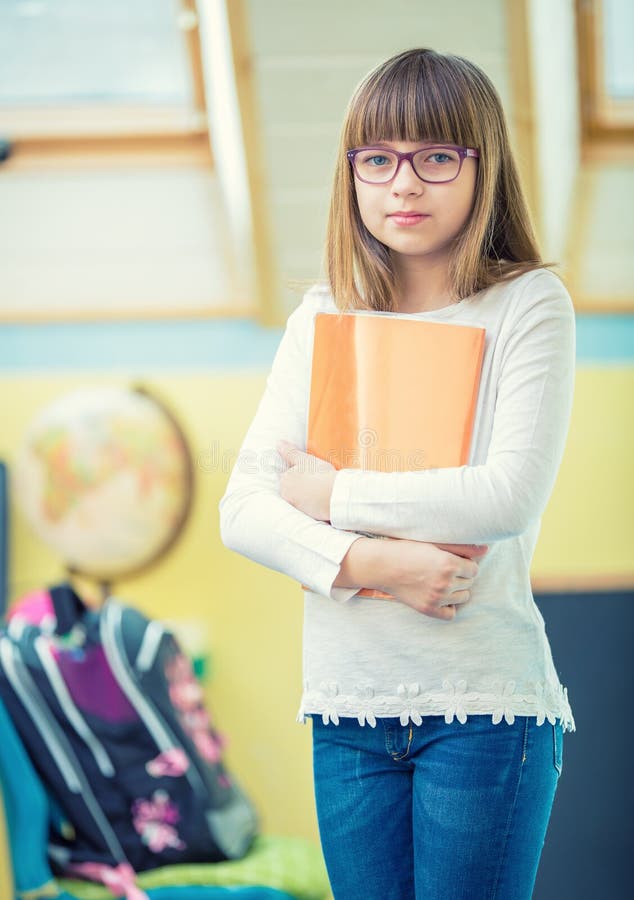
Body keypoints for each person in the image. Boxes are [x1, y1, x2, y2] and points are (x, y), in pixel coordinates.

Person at [219, 48, 575, 900]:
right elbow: (243, 510)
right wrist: (378, 563)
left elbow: (505, 495)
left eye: (435, 157)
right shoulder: (322, 316)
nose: (402, 185)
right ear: (352, 175)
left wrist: (332, 495)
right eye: (377, 160)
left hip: (484, 710)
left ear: (482, 165)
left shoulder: (527, 304)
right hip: (345, 712)